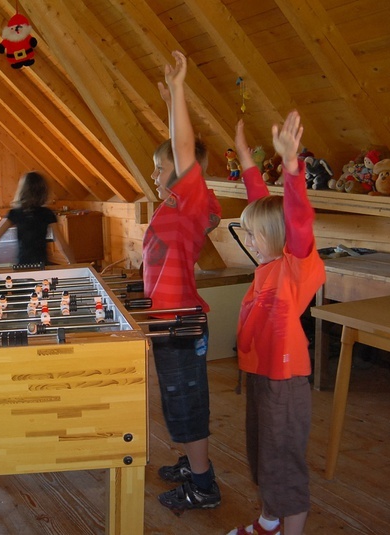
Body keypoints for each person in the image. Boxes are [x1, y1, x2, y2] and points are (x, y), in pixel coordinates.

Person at [226, 111, 325, 535]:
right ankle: (269, 522)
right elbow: (261, 204)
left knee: (284, 462)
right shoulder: (270, 259)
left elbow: (297, 218)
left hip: (284, 381)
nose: (248, 241)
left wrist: (291, 166)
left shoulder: (295, 265)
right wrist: (246, 157)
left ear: (276, 236)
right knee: (264, 454)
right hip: (262, 375)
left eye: (253, 235)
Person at [145, 50, 222, 514]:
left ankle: (203, 483)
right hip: (166, 318)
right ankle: (192, 463)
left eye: (160, 167)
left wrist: (177, 91)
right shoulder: (173, 205)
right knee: (177, 400)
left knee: (186, 402)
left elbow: (184, 149)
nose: (153, 174)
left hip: (181, 321)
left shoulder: (192, 200)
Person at [0, 171, 74, 266]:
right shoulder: (47, 213)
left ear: (22, 191)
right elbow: (61, 243)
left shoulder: (15, 213)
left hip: (23, 265)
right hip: (42, 264)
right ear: (43, 192)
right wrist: (73, 263)